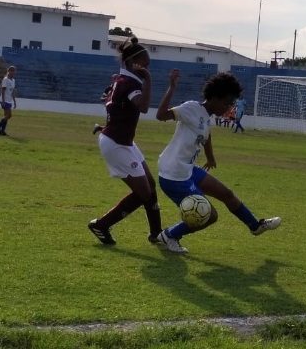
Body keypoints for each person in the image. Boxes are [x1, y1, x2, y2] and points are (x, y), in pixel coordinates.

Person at [154, 69, 282, 254]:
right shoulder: (191, 108)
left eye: (231, 104)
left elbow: (206, 136)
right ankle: (169, 235)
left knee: (227, 194)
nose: (228, 108)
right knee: (210, 215)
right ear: (214, 97)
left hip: (187, 170)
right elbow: (160, 115)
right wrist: (172, 87)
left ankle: (255, 226)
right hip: (173, 175)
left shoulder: (207, 116)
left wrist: (210, 156)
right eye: (226, 103)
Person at [88, 37, 162, 246]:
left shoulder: (120, 80)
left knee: (150, 185)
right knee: (143, 192)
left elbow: (111, 103)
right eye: (145, 64)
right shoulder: (129, 83)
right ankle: (101, 224)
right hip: (116, 144)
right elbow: (143, 107)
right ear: (132, 63)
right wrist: (148, 80)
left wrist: (107, 124)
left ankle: (157, 233)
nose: (147, 68)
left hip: (123, 141)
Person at [0, 66, 18, 136]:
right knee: (9, 115)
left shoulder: (13, 80)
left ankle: (2, 131)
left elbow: (12, 92)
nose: (13, 72)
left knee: (6, 116)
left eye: (14, 71)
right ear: (9, 71)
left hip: (9, 100)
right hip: (5, 100)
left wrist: (14, 101)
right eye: (12, 71)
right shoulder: (5, 79)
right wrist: (3, 101)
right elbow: (3, 90)